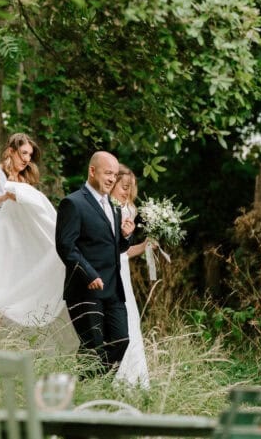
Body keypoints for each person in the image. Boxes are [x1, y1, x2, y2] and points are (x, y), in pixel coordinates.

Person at [55, 151, 135, 372]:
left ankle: (94, 387)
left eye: (115, 174)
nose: (112, 179)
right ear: (92, 171)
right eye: (108, 173)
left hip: (113, 290)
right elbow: (65, 246)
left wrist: (126, 237)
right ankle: (90, 396)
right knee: (94, 349)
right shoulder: (73, 203)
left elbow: (112, 248)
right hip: (84, 289)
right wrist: (89, 274)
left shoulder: (114, 207)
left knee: (121, 341)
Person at [112, 164, 151, 388]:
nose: (126, 191)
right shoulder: (107, 206)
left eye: (130, 188)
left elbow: (124, 252)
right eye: (123, 186)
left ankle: (133, 378)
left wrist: (145, 245)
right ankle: (117, 376)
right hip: (109, 269)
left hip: (122, 270)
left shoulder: (130, 209)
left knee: (130, 319)